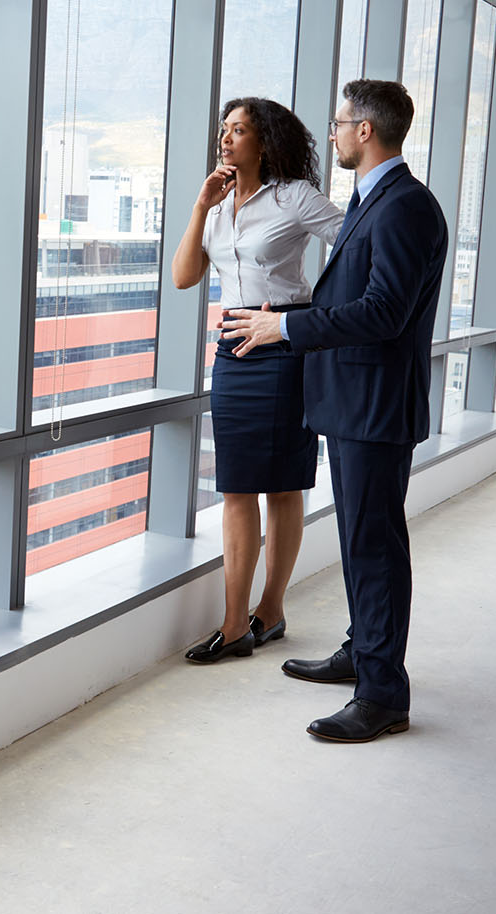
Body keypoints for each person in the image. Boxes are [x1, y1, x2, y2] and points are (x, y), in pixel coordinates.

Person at [223, 79, 447, 743]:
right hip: (355, 402)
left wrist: (286, 329)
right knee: (360, 541)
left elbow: (384, 312)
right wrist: (291, 317)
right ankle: (363, 651)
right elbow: (357, 299)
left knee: (374, 547)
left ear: (366, 131)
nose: (333, 134)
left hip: (374, 405)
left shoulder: (404, 206)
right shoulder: (375, 200)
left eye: (340, 123)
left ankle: (382, 695)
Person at [171, 97, 343, 664]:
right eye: (224, 129)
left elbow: (356, 240)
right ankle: (233, 623)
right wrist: (201, 206)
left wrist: (309, 315)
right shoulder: (218, 204)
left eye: (238, 130)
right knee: (236, 486)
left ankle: (269, 610)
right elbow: (183, 277)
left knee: (283, 485)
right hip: (232, 351)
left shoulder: (294, 197)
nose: (226, 138)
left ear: (264, 142)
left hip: (282, 347)